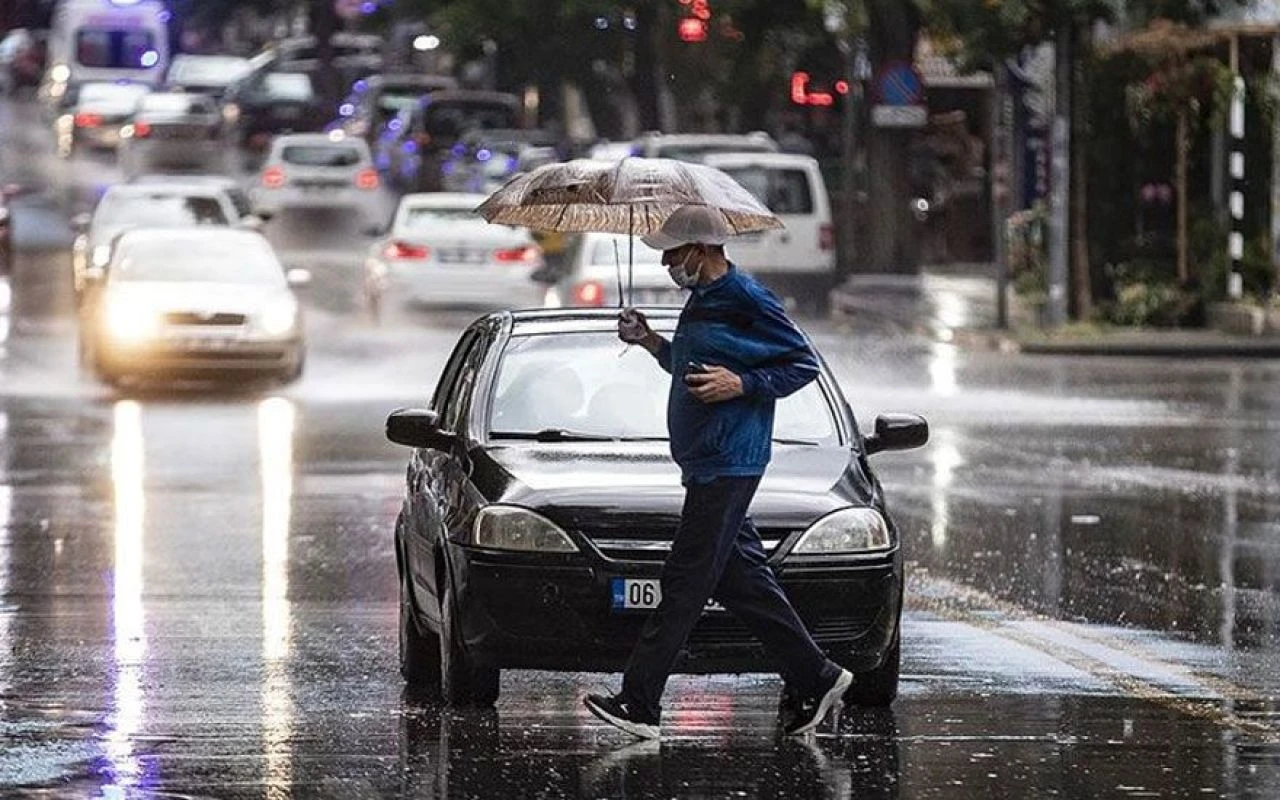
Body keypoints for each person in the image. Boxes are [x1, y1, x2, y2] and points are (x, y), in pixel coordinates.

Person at [583, 205, 853, 740]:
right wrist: (651, 342)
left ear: (702, 250)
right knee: (742, 580)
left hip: (731, 460)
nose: (665, 265)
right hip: (707, 459)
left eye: (672, 254)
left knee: (683, 581)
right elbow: (689, 365)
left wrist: (743, 385)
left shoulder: (745, 297)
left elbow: (803, 363)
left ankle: (640, 702)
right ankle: (816, 677)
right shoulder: (702, 300)